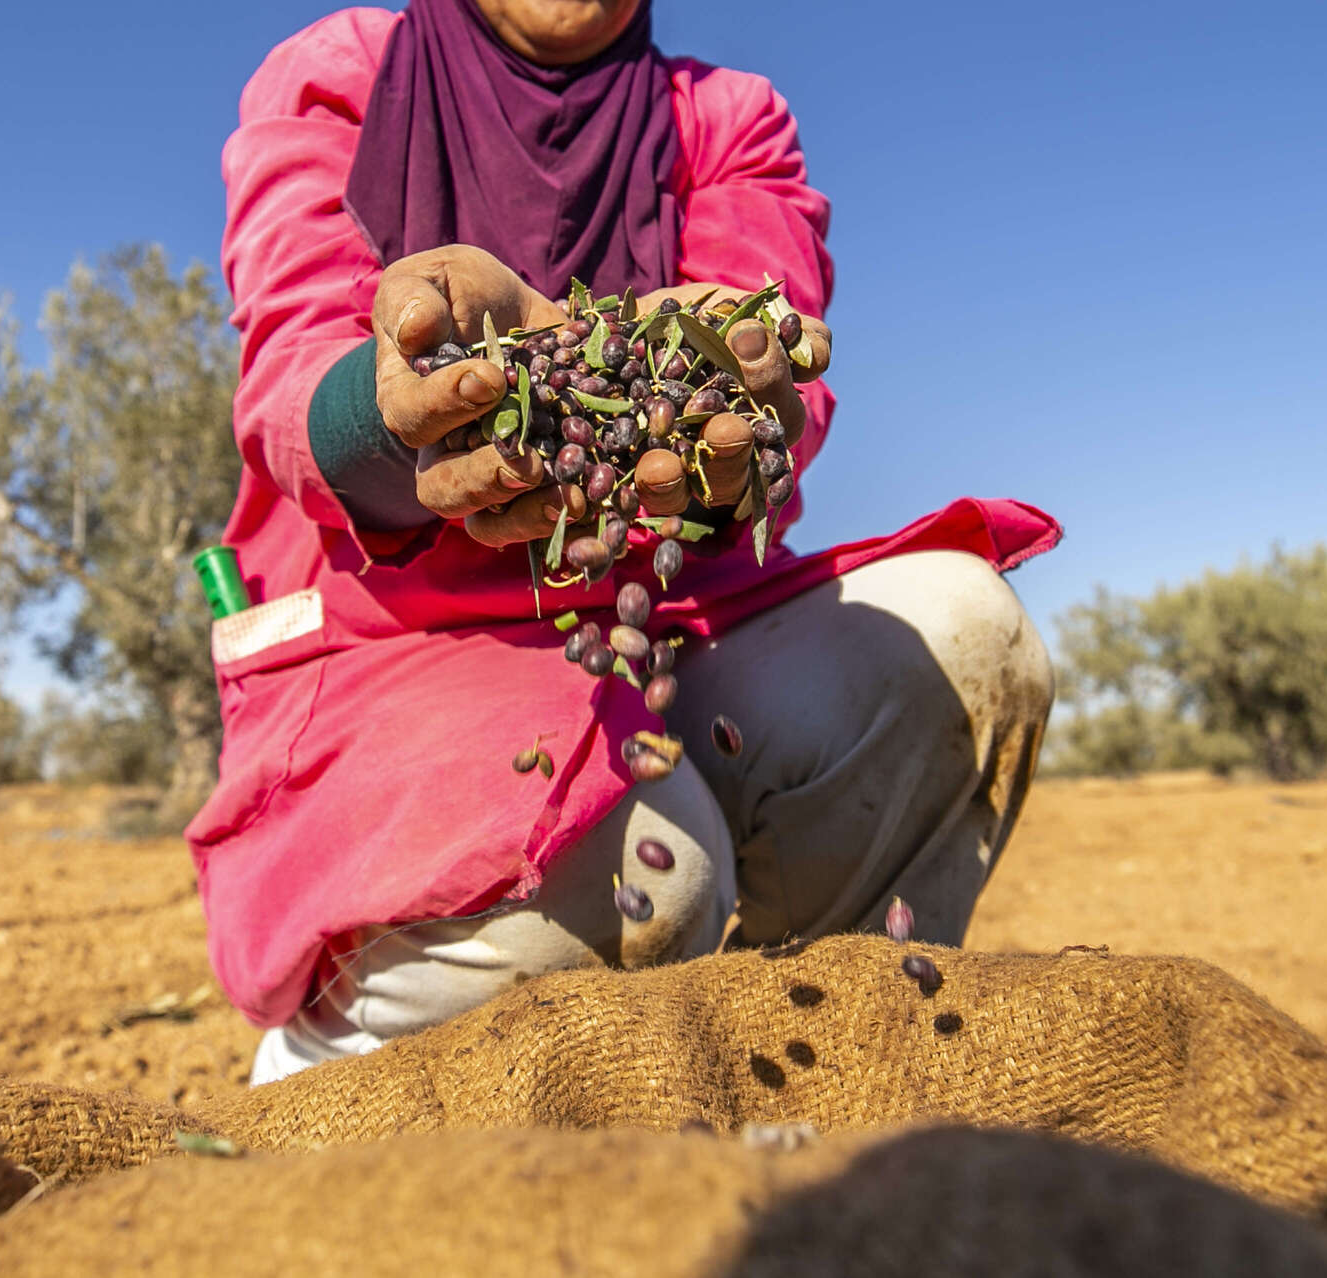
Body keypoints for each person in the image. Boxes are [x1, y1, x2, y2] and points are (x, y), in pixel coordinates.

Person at [191, 0, 1062, 1085]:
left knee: (957, 633)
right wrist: (390, 415)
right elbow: (291, 365)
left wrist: (731, 399)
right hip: (398, 637)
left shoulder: (727, 120)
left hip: (677, 615)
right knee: (650, 883)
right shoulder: (345, 68)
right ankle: (336, 1073)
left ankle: (804, 1102)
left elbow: (776, 364)